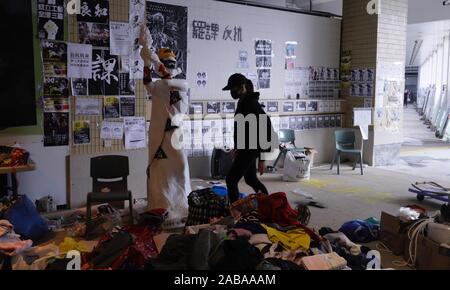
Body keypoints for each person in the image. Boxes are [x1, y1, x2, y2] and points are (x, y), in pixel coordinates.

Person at [223, 73, 273, 204]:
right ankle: (267, 203)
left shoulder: (251, 103)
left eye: (233, 89)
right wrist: (237, 147)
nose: (232, 92)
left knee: (231, 179)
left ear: (242, 87)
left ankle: (235, 210)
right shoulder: (243, 101)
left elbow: (266, 126)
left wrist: (263, 158)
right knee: (250, 179)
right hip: (245, 148)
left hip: (251, 148)